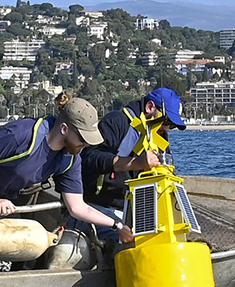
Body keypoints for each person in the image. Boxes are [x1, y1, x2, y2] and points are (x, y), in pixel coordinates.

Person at [0, 92, 134, 272]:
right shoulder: (22, 134)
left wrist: (116, 225)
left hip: (7, 197)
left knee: (31, 249)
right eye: (83, 139)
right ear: (64, 129)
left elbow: (77, 207)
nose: (85, 145)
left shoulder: (70, 158)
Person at [78, 88, 187, 239]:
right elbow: (89, 158)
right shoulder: (116, 122)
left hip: (138, 211)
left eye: (171, 126)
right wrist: (135, 163)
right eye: (166, 122)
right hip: (101, 207)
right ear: (150, 107)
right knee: (129, 244)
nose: (167, 128)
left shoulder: (158, 137)